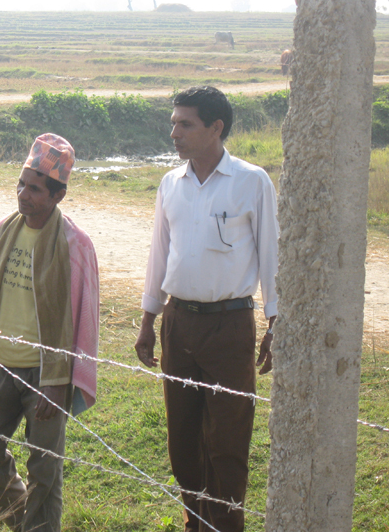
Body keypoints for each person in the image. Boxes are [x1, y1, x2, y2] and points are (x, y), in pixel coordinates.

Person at [135, 86, 277, 532]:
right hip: (179, 324)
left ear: (216, 128)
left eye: (185, 123)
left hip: (230, 327)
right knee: (183, 442)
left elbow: (272, 255)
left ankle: (228, 524)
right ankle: (194, 524)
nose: (174, 132)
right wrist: (148, 321)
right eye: (174, 122)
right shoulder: (170, 184)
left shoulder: (251, 181)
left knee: (227, 442)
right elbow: (160, 254)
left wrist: (276, 320)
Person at [0, 133, 99, 532]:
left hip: (46, 378)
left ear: (58, 196)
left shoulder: (75, 245)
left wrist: (61, 383)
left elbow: (85, 321)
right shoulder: (3, 230)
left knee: (46, 469)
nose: (24, 195)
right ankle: (27, 521)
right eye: (22, 184)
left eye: (36, 189)